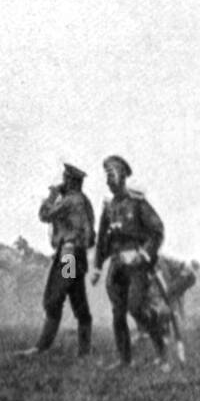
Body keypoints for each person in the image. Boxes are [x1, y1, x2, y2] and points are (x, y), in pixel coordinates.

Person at [91, 155, 169, 371]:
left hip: (137, 266)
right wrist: (97, 267)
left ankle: (162, 351)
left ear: (123, 176)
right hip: (117, 266)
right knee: (118, 314)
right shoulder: (108, 206)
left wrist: (143, 255)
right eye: (106, 176)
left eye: (112, 175)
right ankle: (125, 360)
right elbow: (102, 241)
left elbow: (157, 231)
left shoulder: (138, 202)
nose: (108, 181)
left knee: (136, 308)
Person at [18, 163, 95, 357]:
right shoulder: (83, 200)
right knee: (78, 300)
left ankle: (41, 348)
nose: (63, 181)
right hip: (75, 254)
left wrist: (52, 195)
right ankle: (83, 352)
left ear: (70, 181)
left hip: (68, 254)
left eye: (65, 179)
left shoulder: (70, 200)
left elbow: (44, 215)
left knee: (54, 299)